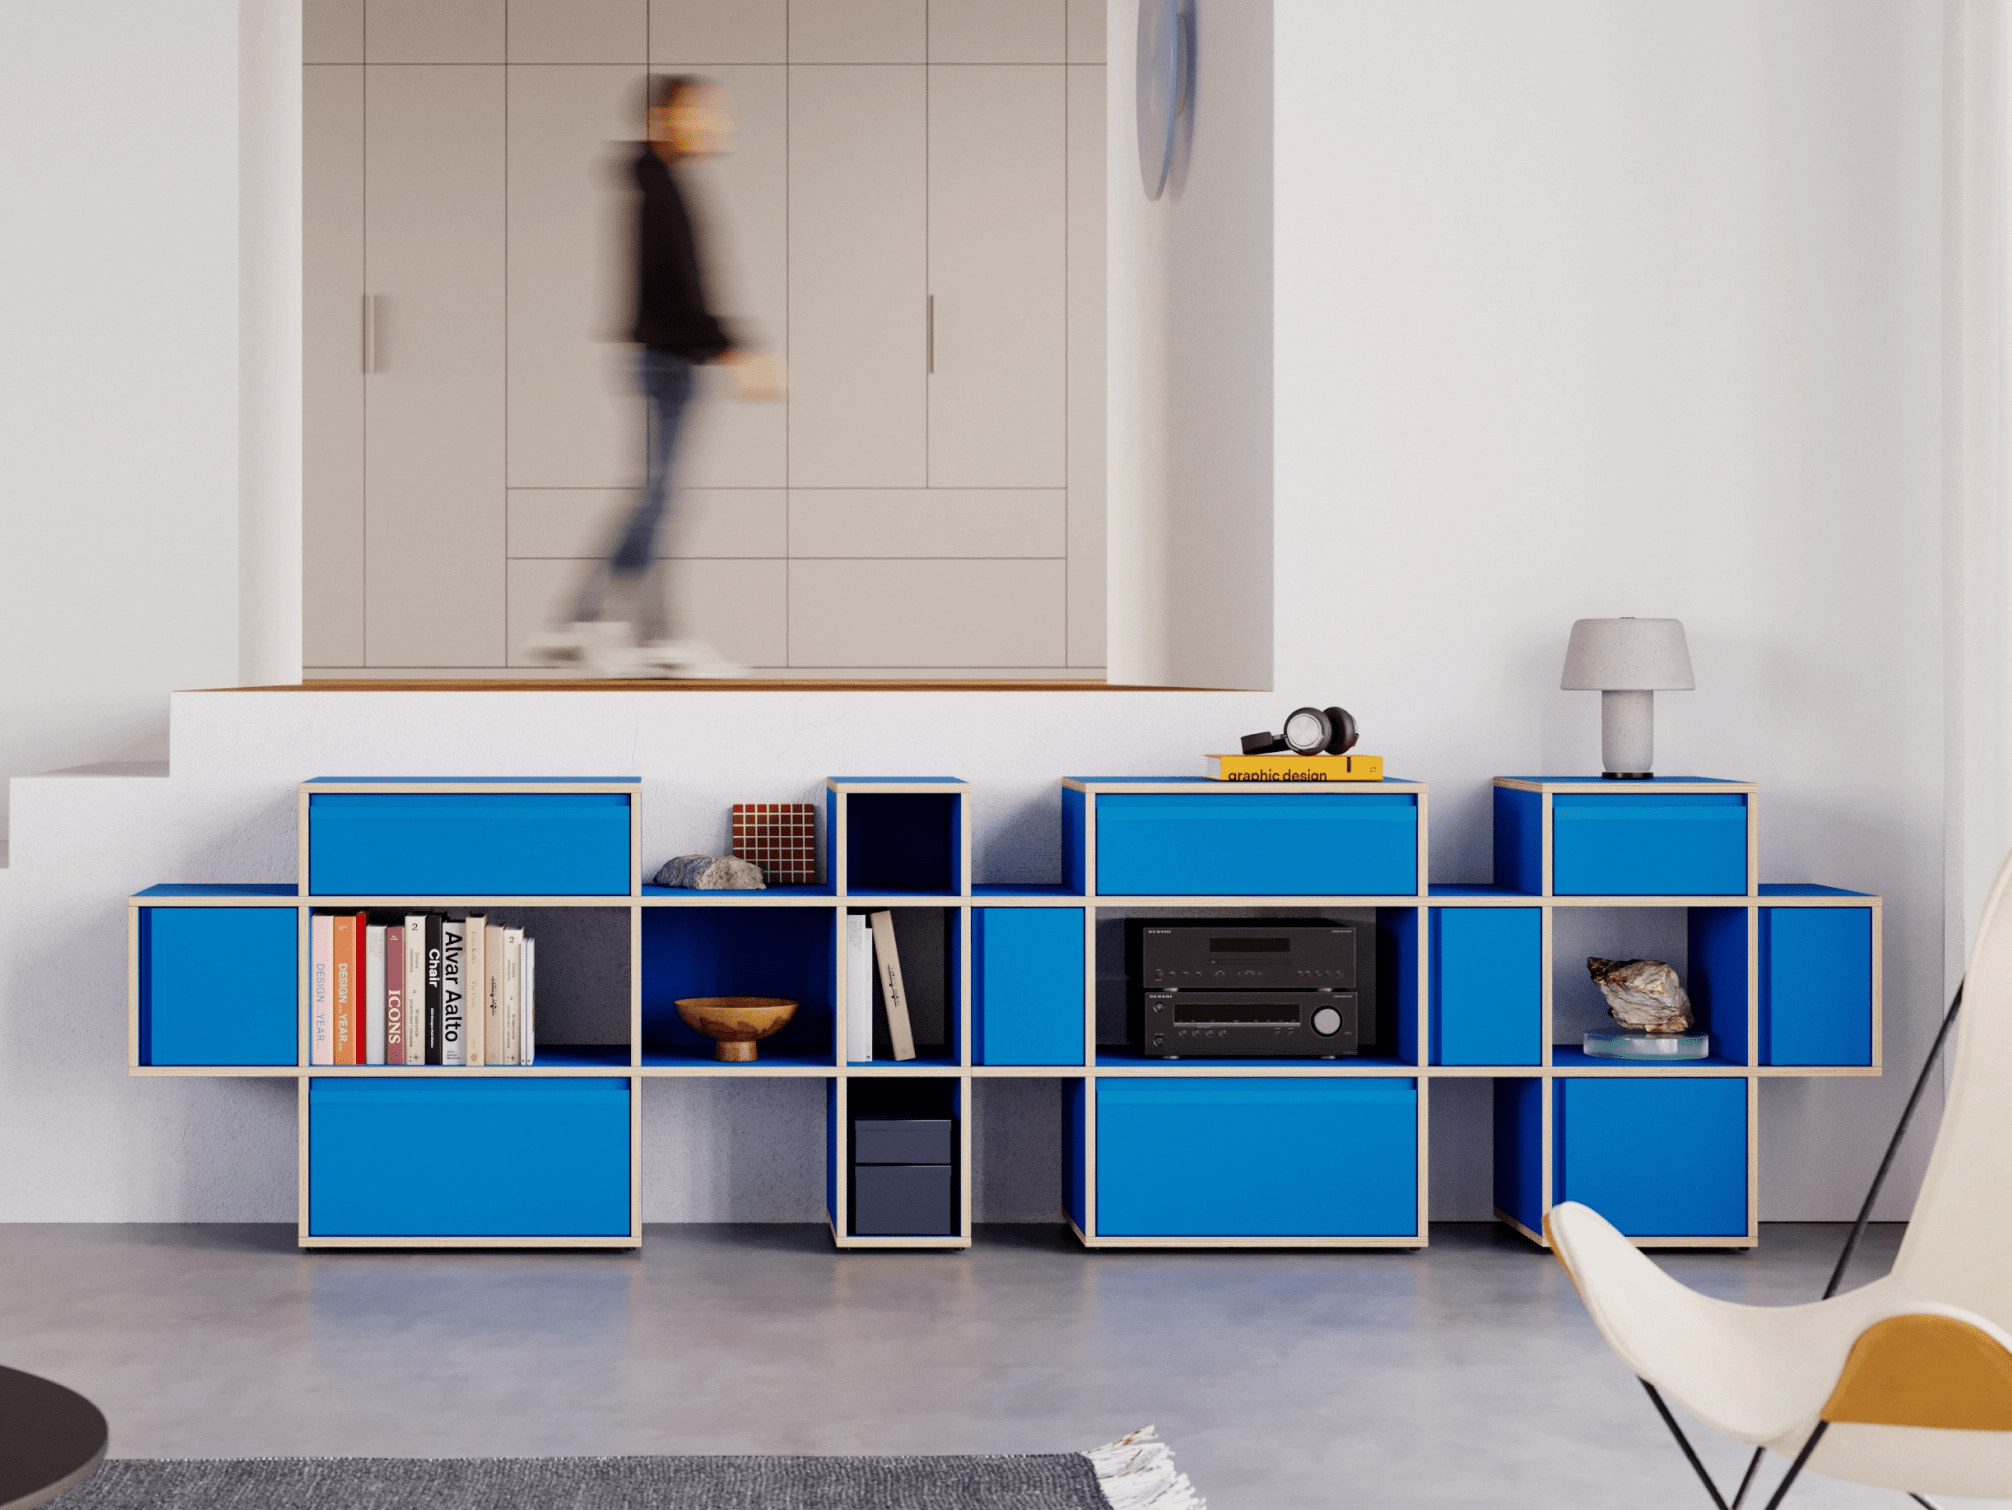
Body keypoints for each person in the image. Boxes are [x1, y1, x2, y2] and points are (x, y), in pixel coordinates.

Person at [526, 75, 783, 677]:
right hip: (669, 359)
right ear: (664, 119)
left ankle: (633, 634)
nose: (723, 125)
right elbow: (680, 292)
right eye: (707, 114)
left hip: (671, 357)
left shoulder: (659, 184)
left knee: (661, 496)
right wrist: (738, 352)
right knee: (659, 496)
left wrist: (726, 350)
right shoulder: (659, 191)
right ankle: (602, 627)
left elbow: (681, 291)